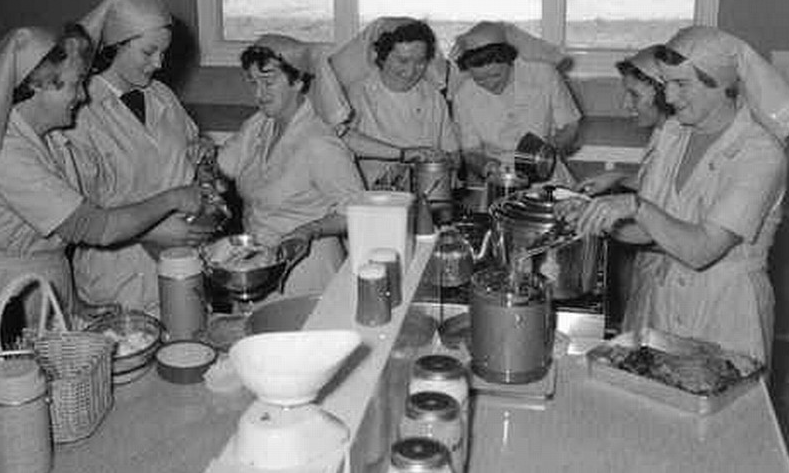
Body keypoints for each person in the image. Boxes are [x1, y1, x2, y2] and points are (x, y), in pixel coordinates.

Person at [0, 25, 209, 347]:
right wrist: (172, 198)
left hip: (45, 292)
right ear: (37, 86)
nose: (83, 96)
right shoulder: (6, 157)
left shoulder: (50, 139)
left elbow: (53, 244)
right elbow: (96, 227)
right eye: (74, 85)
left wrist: (75, 306)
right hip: (1, 303)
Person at [559, 26, 789, 363]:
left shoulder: (760, 155)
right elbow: (647, 233)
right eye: (667, 83)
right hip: (658, 303)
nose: (670, 98)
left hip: (724, 310)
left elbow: (700, 250)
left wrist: (635, 206)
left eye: (681, 85)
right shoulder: (674, 132)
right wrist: (595, 217)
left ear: (723, 85)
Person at [64, 0, 219, 317]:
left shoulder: (161, 96)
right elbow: (75, 214)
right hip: (118, 276)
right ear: (115, 45)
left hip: (182, 266)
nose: (159, 64)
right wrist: (150, 231)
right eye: (149, 51)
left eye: (163, 53)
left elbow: (194, 154)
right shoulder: (78, 112)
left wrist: (205, 163)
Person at [213, 34, 366, 298]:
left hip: (309, 272)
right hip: (257, 266)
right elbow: (222, 171)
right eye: (253, 82)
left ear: (297, 81)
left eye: (269, 82)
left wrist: (308, 230)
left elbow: (358, 211)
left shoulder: (319, 143)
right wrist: (202, 161)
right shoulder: (258, 125)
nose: (259, 94)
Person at [328, 17, 460, 190]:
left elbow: (454, 156)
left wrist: (445, 160)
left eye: (420, 62)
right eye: (403, 61)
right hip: (373, 196)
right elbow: (341, 140)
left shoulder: (434, 97)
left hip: (428, 192)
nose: (411, 71)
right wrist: (405, 154)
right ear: (381, 58)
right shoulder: (357, 96)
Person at [449, 21, 584, 186]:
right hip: (501, 180)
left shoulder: (544, 76)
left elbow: (570, 125)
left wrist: (547, 153)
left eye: (496, 75)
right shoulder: (464, 96)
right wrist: (489, 169)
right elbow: (471, 151)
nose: (490, 84)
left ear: (509, 61)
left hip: (548, 176)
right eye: (480, 79)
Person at [574, 45, 675, 195]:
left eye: (634, 95)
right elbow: (654, 183)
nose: (625, 105)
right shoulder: (662, 132)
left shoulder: (680, 140)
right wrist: (618, 178)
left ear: (664, 94)